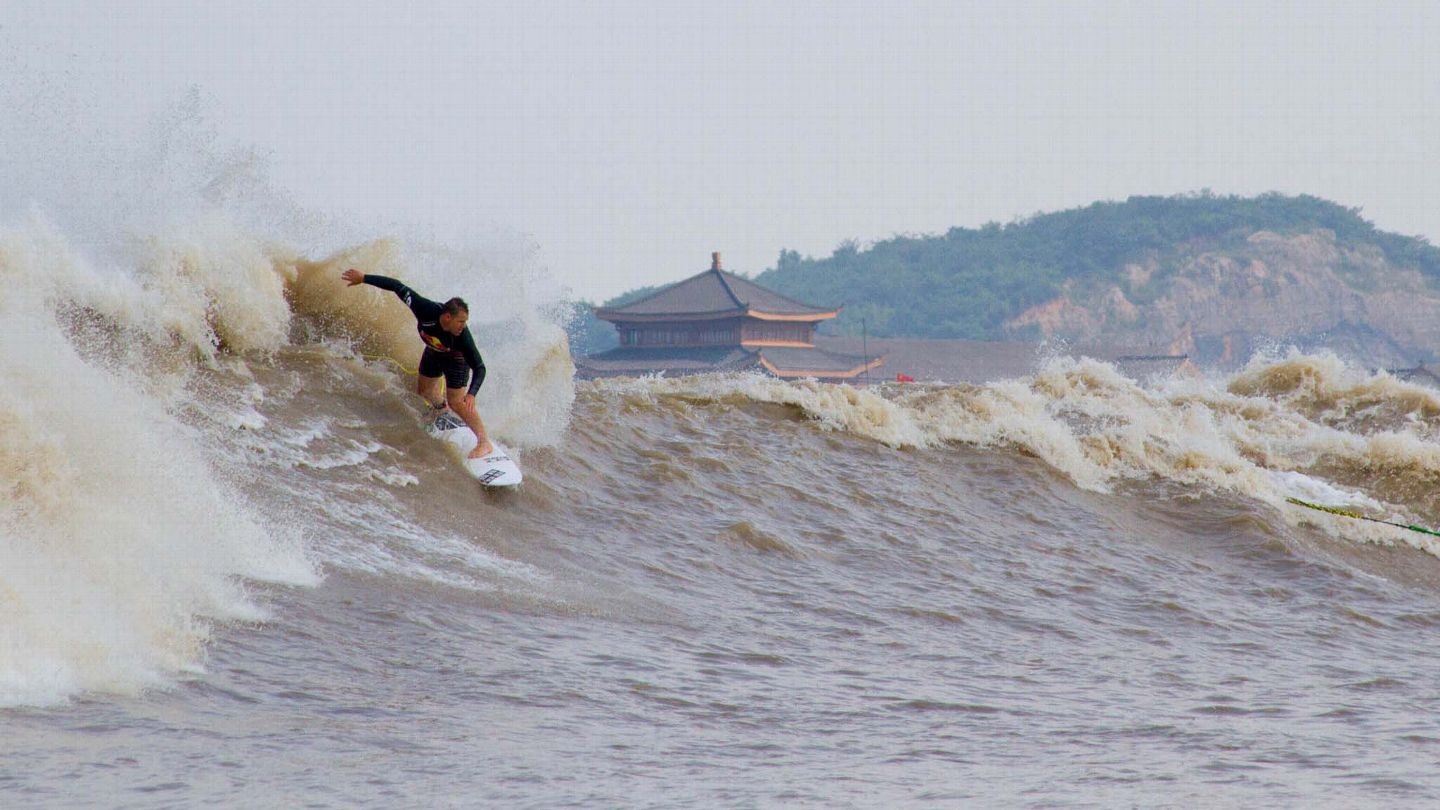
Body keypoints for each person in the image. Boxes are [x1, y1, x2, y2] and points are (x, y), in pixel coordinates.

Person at [341, 268, 494, 459]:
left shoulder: (463, 338)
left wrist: (471, 394)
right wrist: (363, 278)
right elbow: (397, 287)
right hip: (434, 351)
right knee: (424, 391)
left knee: (457, 401)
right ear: (447, 317)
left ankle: (483, 442)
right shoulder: (424, 308)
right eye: (460, 321)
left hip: (456, 360)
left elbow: (480, 367)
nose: (463, 325)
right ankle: (441, 411)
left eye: (465, 322)